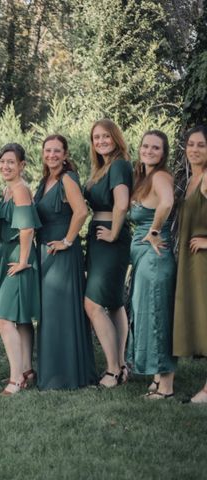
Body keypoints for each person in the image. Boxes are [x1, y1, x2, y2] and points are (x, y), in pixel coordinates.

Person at [34, 135, 96, 390]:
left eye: (57, 151)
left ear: (65, 153)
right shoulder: (45, 180)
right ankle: (52, 373)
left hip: (62, 252)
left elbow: (81, 211)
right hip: (46, 250)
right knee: (49, 313)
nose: (52, 155)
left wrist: (68, 241)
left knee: (61, 312)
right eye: (48, 150)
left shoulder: (67, 179)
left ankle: (67, 375)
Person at [126, 130, 176, 399]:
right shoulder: (144, 177)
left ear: (163, 152)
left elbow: (167, 202)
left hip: (155, 258)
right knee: (148, 315)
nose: (149, 151)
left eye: (155, 148)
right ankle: (158, 377)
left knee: (157, 317)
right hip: (144, 258)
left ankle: (166, 386)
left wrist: (154, 231)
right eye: (145, 146)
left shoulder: (160, 176)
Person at [83, 119, 133, 387]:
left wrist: (113, 233)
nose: (100, 141)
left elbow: (122, 203)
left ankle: (112, 369)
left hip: (111, 238)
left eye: (105, 136)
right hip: (98, 236)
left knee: (93, 304)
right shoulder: (101, 168)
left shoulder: (120, 165)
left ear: (116, 138)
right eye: (96, 137)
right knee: (114, 303)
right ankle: (122, 366)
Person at [0, 143, 41, 396]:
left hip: (18, 256)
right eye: (3, 161)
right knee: (22, 318)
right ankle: (27, 370)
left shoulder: (21, 190)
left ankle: (15, 380)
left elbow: (27, 229)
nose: (6, 166)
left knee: (4, 319)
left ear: (22, 165)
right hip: (7, 255)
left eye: (11, 162)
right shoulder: (8, 190)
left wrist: (23, 261)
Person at [172, 125, 207, 404]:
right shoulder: (187, 179)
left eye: (202, 145)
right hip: (191, 263)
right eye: (191, 144)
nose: (194, 149)